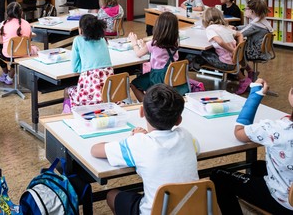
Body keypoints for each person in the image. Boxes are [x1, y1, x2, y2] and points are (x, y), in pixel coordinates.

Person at [90, 84, 199, 215]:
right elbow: (196, 148)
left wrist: (135, 138)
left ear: (141, 112)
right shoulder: (186, 136)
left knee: (112, 195)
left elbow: (95, 150)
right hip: (192, 209)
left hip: (154, 212)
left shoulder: (138, 143)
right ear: (179, 120)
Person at [211, 79, 293, 214]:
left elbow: (239, 133)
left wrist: (255, 95)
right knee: (256, 166)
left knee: (219, 175)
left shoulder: (275, 129)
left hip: (285, 203)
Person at [187, 7, 248, 93]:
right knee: (207, 51)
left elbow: (220, 41)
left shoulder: (210, 29)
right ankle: (243, 79)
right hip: (234, 61)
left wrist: (232, 50)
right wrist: (238, 48)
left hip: (225, 63)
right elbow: (240, 35)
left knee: (198, 53)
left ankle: (191, 71)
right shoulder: (226, 27)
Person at [128, 12, 186, 102]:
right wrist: (144, 45)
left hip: (158, 78)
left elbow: (138, 54)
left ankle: (146, 105)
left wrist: (134, 42)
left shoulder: (153, 43)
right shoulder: (175, 43)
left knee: (134, 84)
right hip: (172, 75)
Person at [63, 14, 113, 113]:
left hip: (90, 91)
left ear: (80, 30)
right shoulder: (103, 39)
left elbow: (74, 68)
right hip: (108, 90)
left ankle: (66, 114)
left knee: (67, 90)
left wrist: (86, 66)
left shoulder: (78, 40)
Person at [236, 0, 273, 80]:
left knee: (234, 52)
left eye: (245, 9)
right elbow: (247, 27)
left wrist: (228, 32)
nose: (244, 10)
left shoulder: (255, 25)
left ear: (252, 11)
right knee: (238, 49)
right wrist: (236, 27)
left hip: (255, 53)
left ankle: (242, 77)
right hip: (263, 51)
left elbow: (240, 34)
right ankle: (250, 72)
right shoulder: (262, 21)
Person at [0, 2, 33, 86]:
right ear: (21, 12)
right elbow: (29, 39)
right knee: (17, 55)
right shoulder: (27, 24)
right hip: (25, 54)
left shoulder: (4, 24)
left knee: (0, 52)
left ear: (7, 13)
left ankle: (6, 74)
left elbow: (1, 41)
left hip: (9, 55)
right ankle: (9, 77)